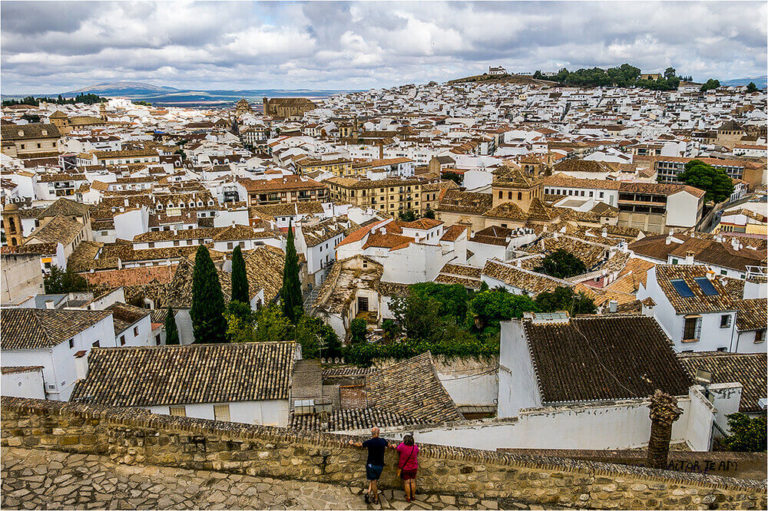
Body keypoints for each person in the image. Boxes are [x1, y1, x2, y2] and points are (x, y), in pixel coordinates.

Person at [349, 427, 388, 504]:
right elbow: (390, 445)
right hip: (380, 465)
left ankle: (376, 498)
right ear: (379, 432)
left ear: (372, 433)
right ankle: (368, 492)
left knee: (373, 481)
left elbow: (360, 444)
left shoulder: (369, 442)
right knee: (374, 480)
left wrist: (352, 443)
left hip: (371, 465)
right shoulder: (383, 441)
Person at [396, 434, 419, 502]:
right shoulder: (415, 447)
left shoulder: (402, 446)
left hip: (406, 468)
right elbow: (417, 451)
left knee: (407, 482)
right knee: (412, 481)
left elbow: (397, 449)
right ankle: (413, 496)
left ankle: (408, 497)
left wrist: (402, 443)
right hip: (414, 467)